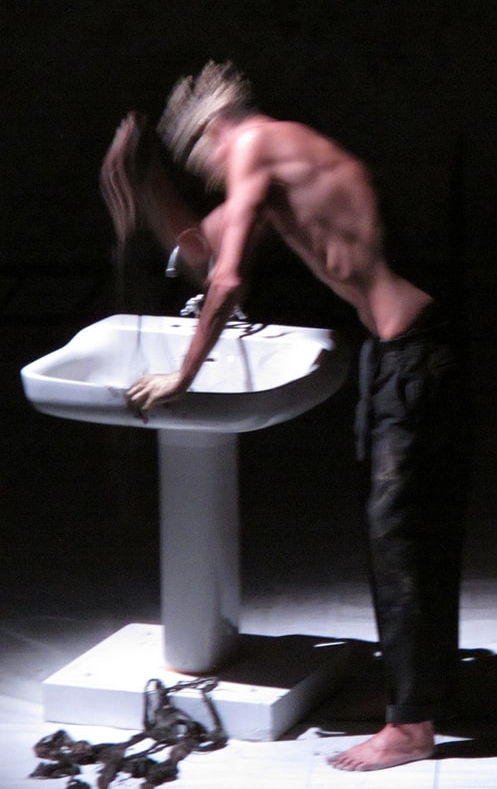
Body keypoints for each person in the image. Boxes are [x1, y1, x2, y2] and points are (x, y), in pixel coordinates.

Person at [100, 61, 469, 771]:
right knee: (398, 533)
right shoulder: (275, 162)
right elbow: (203, 253)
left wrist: (183, 375)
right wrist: (146, 188)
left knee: (402, 537)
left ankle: (413, 725)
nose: (214, 179)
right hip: (394, 351)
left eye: (201, 165)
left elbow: (228, 280)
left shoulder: (255, 146)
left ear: (214, 131)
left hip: (417, 351)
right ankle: (418, 695)